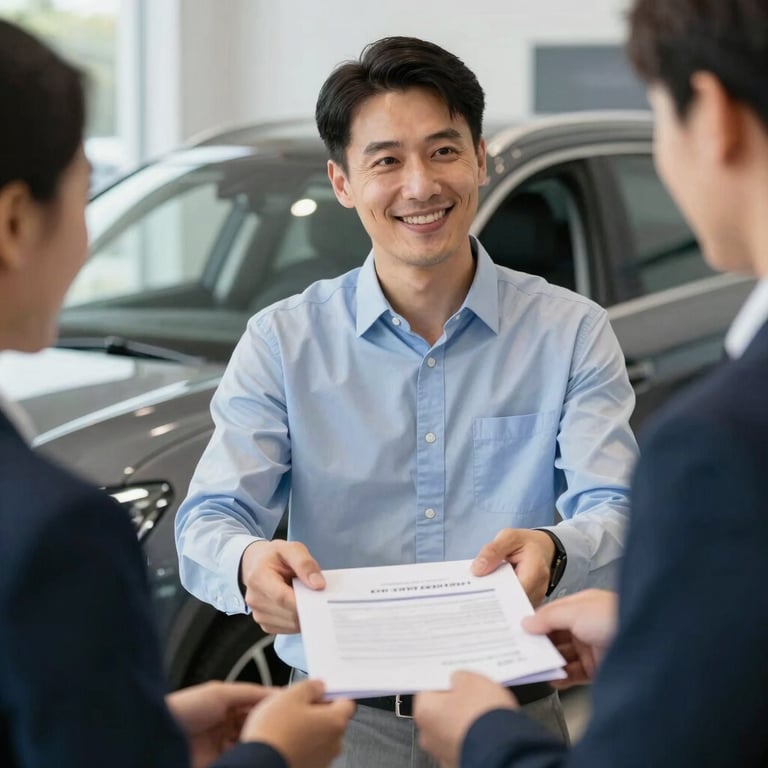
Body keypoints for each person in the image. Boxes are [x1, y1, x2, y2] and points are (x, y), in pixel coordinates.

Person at [175, 35, 638, 766]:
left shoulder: (571, 332)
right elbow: (208, 518)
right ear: (343, 181)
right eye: (386, 160)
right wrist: (245, 564)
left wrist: (554, 550)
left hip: (508, 714)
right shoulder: (282, 342)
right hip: (337, 724)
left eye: (443, 150)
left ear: (481, 159)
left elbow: (614, 507)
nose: (420, 185)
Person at [413, 0, 768, 765]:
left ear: (710, 114)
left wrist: (482, 734)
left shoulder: (722, 441)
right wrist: (662, 621)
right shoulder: (284, 334)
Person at [0, 18, 354, 768]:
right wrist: (271, 756)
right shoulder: (53, 530)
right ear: (14, 223)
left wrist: (139, 727)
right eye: (84, 196)